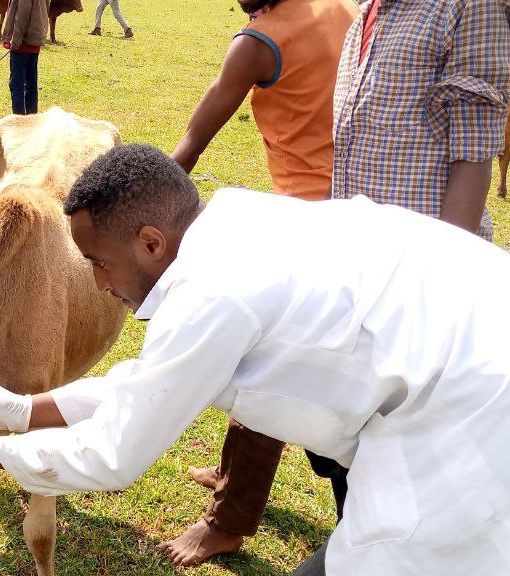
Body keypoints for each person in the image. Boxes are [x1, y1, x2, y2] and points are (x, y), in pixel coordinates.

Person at [0, 144, 510, 575]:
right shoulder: (239, 228)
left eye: (100, 264)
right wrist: (16, 408)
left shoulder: (213, 293)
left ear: (150, 242)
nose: (99, 286)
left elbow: (114, 456)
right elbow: (151, 391)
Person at [161, 0, 357, 566]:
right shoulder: (335, 7)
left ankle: (228, 519)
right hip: (353, 207)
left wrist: (137, 210)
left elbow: (193, 142)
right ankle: (231, 475)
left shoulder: (258, 42)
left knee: (265, 360)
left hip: (308, 220)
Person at [333, 0, 510, 240]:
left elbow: (474, 156)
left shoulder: (471, 5)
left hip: (415, 257)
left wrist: (434, 269)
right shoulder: (365, 14)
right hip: (357, 252)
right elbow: (345, 155)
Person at [2, 0, 48, 115]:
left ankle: (19, 122)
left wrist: (15, 40)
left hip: (23, 41)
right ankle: (32, 121)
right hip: (35, 37)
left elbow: (23, 14)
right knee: (31, 82)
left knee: (17, 83)